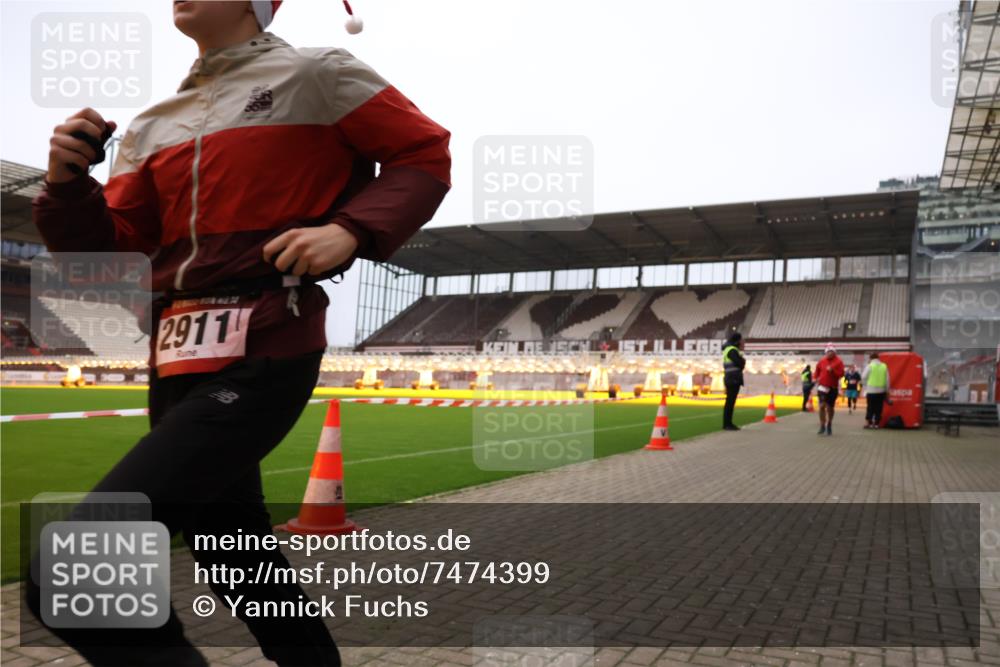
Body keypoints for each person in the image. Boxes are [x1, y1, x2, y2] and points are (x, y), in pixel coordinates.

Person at [29, 2, 451, 665]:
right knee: (234, 552)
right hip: (174, 358)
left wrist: (349, 228)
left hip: (267, 340)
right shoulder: (148, 126)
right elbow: (110, 255)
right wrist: (66, 186)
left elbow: (423, 152)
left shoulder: (318, 72)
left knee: (82, 562)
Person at [814, 343, 845, 436]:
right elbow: (817, 371)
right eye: (828, 352)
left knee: (830, 408)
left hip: (833, 388)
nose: (829, 354)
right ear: (825, 352)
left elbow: (842, 374)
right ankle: (822, 425)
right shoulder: (822, 361)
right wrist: (815, 378)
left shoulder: (839, 362)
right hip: (822, 387)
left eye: (831, 352)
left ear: (834, 352)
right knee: (822, 406)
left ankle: (829, 424)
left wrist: (833, 371)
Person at [721, 332, 746, 431]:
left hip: (731, 378)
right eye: (741, 340)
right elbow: (740, 363)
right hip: (733, 378)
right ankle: (727, 424)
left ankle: (727, 423)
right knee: (730, 402)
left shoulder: (729, 349)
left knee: (730, 402)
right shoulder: (732, 350)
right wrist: (743, 360)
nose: (742, 342)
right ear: (737, 340)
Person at [862, 352, 892, 429]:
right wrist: (887, 390)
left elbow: (863, 377)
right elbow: (888, 380)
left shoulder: (869, 366)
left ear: (870, 358)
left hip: (871, 391)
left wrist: (865, 386)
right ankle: (877, 423)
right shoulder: (884, 366)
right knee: (879, 408)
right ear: (878, 358)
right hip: (881, 391)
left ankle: (869, 423)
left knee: (870, 407)